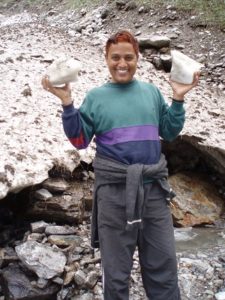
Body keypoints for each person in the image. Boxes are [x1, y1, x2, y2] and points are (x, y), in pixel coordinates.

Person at [42, 30, 200, 300]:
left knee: (163, 267)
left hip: (153, 192)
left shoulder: (151, 93)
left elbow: (170, 132)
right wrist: (67, 104)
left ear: (137, 58)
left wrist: (179, 98)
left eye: (129, 57)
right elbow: (80, 141)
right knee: (116, 274)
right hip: (114, 195)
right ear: (106, 59)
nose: (122, 63)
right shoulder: (96, 97)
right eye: (115, 57)